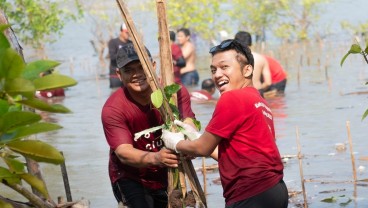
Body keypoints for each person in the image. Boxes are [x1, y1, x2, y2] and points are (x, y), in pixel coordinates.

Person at [162, 39, 288, 208]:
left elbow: (202, 149)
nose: (217, 74)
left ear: (247, 69)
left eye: (224, 67)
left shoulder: (231, 98)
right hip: (275, 190)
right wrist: (194, 137)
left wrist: (176, 143)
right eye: (213, 70)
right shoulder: (259, 100)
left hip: (251, 193)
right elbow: (233, 152)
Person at [101, 42, 197, 208]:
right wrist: (156, 157)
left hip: (167, 173)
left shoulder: (174, 93)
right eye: (129, 70)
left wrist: (190, 143)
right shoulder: (113, 108)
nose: (137, 74)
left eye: (141, 67)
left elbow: (188, 122)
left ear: (153, 65)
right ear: (119, 74)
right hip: (130, 175)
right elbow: (124, 153)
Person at [235, 31, 287, 95]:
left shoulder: (236, 60)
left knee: (276, 98)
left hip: (277, 78)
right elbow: (267, 83)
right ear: (251, 44)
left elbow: (268, 83)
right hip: (261, 87)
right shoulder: (260, 58)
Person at [107, 23, 132, 89]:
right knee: (115, 95)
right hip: (115, 75)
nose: (128, 34)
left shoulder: (131, 43)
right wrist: (126, 56)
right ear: (121, 32)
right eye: (126, 32)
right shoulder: (113, 42)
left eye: (129, 32)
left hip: (127, 75)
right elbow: (112, 57)